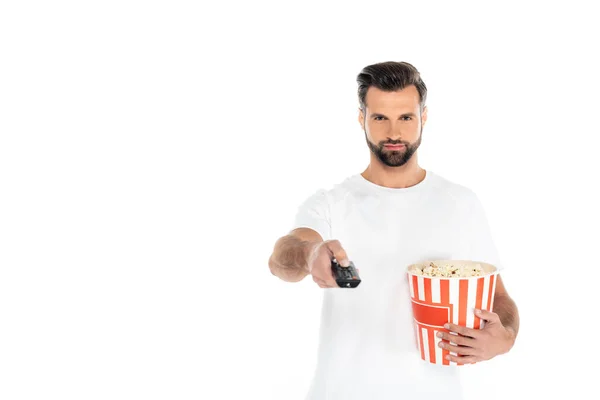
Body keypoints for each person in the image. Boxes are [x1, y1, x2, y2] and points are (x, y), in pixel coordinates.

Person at [268, 61, 520, 400]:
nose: (394, 132)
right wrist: (310, 253)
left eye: (405, 117)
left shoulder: (459, 202)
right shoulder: (331, 203)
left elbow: (498, 298)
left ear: (423, 118)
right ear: (362, 119)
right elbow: (284, 256)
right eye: (379, 118)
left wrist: (506, 337)